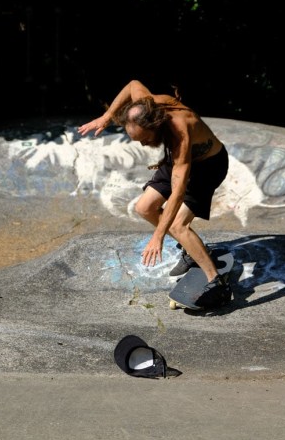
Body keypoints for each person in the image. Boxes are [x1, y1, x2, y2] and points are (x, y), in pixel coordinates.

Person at [78, 80, 232, 309]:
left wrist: (159, 235)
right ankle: (193, 252)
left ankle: (216, 283)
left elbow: (178, 193)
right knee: (144, 207)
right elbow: (132, 84)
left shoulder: (180, 132)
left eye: (145, 139)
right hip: (179, 160)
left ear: (156, 126)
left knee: (178, 226)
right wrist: (107, 116)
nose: (143, 145)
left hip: (207, 167)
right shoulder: (147, 104)